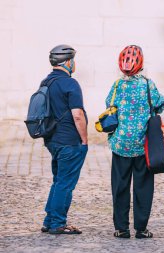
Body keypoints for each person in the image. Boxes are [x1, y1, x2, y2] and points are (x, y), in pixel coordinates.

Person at [106, 45, 164, 239]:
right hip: (143, 146)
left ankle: (121, 228)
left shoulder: (117, 86)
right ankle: (141, 229)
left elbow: (109, 104)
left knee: (120, 186)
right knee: (143, 187)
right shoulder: (148, 85)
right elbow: (159, 103)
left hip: (120, 144)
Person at [41, 44, 88, 234]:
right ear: (68, 62)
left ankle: (49, 220)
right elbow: (77, 115)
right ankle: (58, 224)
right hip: (69, 141)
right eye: (73, 60)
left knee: (58, 181)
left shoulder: (45, 82)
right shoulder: (70, 83)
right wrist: (84, 140)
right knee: (65, 184)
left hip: (52, 140)